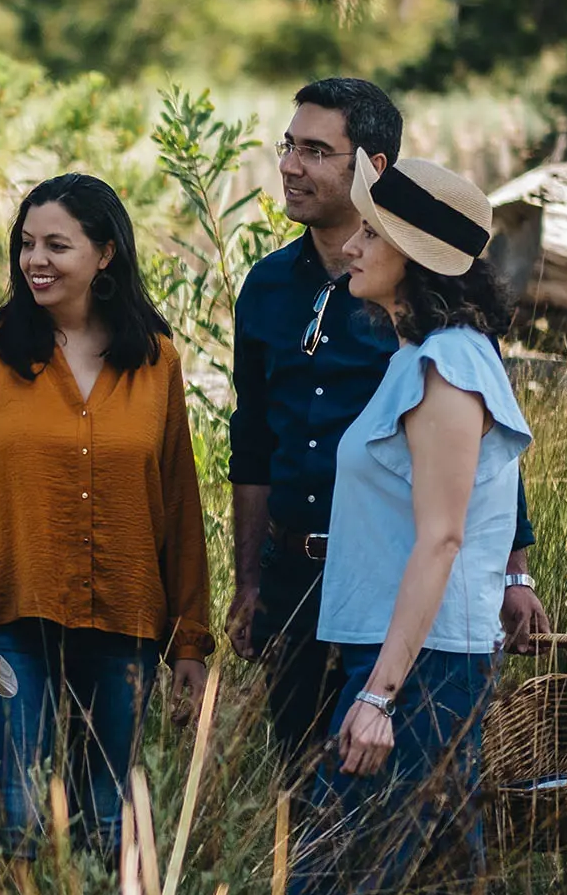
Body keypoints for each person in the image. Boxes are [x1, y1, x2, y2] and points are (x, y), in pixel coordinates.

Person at [226, 79, 548, 772]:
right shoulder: (266, 287)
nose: (290, 165)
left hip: (401, 593)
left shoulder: (439, 334)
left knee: (368, 814)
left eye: (315, 150)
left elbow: (476, 464)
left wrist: (514, 574)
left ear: (371, 167)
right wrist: (248, 581)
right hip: (298, 582)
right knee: (306, 786)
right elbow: (251, 441)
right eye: (289, 146)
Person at [287, 151, 533, 895]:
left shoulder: (448, 369)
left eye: (370, 233)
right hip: (407, 661)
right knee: (435, 892)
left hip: (422, 672)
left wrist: (380, 695)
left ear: (415, 259)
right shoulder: (423, 358)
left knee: (342, 893)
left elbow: (442, 539)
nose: (350, 247)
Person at [0, 174, 214, 856]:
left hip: (124, 623)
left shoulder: (156, 360)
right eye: (26, 244)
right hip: (10, 617)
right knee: (14, 819)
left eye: (57, 244)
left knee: (107, 826)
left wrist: (189, 642)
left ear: (105, 254)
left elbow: (177, 506)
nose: (35, 261)